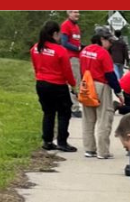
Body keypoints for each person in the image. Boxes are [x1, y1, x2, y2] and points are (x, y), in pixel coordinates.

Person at [30, 21, 77, 153]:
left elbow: (35, 65)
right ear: (55, 34)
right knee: (64, 112)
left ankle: (47, 141)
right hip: (57, 84)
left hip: (41, 83)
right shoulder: (60, 50)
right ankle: (62, 141)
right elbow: (67, 71)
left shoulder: (35, 48)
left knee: (48, 112)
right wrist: (73, 85)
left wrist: (39, 76)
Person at [79, 26, 125, 159]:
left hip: (86, 84)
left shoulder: (84, 50)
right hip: (101, 86)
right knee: (104, 119)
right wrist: (118, 92)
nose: (111, 44)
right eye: (109, 41)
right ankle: (103, 151)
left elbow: (82, 70)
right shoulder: (103, 53)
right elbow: (110, 75)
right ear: (102, 39)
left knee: (88, 119)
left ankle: (89, 149)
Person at [60, 10, 83, 118]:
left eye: (78, 12)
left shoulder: (76, 27)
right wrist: (77, 48)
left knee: (76, 82)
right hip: (71, 57)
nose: (77, 14)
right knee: (74, 83)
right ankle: (75, 107)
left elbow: (75, 41)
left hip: (77, 57)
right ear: (68, 13)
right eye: (74, 12)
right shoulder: (66, 25)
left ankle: (71, 106)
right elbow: (64, 42)